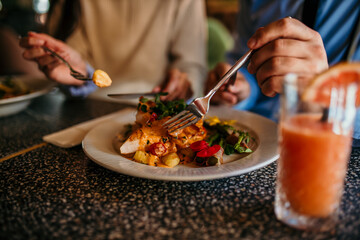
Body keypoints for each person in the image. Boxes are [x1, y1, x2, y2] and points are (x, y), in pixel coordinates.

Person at [205, 0, 360, 146]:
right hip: (255, 142)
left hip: (334, 149)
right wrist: (240, 87)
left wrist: (326, 97)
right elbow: (246, 59)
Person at [19, 0, 207, 101]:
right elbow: (76, 61)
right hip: (90, 108)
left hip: (157, 105)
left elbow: (191, 63)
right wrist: (79, 73)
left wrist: (183, 81)